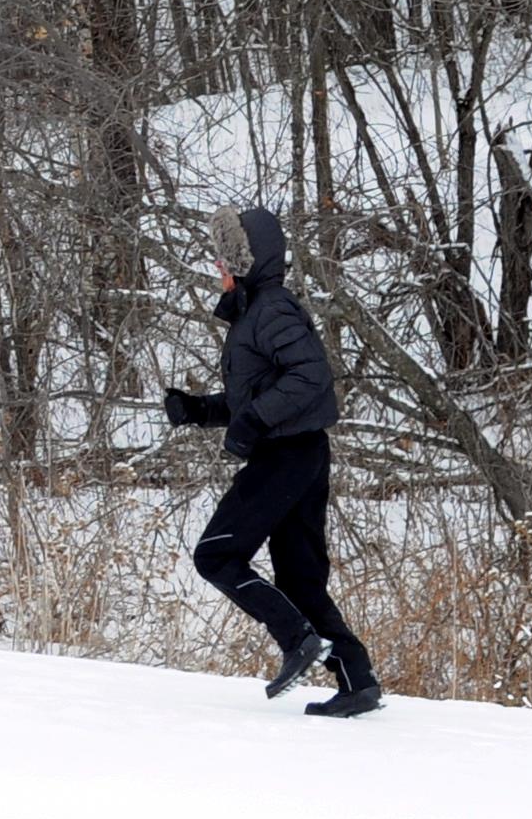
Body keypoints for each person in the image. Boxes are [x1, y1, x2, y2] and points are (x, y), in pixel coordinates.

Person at [160, 204, 383, 718]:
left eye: (223, 259)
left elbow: (310, 379)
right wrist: (199, 410)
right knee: (300, 579)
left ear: (245, 260)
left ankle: (296, 639)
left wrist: (254, 422)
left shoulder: (272, 309)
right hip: (300, 452)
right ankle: (357, 681)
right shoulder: (257, 313)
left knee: (216, 554)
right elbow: (261, 396)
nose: (217, 269)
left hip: (286, 456)